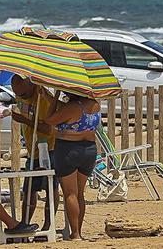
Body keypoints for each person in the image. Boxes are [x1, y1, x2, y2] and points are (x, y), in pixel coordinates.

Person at [38, 93, 101, 240]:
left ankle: (75, 233)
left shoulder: (73, 107)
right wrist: (49, 96)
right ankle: (78, 230)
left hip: (68, 149)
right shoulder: (94, 104)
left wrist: (54, 98)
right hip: (89, 149)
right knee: (80, 193)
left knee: (70, 193)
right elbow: (64, 109)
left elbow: (50, 120)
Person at [6, 75, 56, 220]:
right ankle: (25, 222)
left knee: (50, 189)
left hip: (48, 149)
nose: (21, 97)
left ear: (31, 85)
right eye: (17, 94)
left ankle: (48, 224)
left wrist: (24, 120)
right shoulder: (21, 96)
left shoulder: (44, 99)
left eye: (23, 94)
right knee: (29, 190)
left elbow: (50, 130)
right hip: (32, 150)